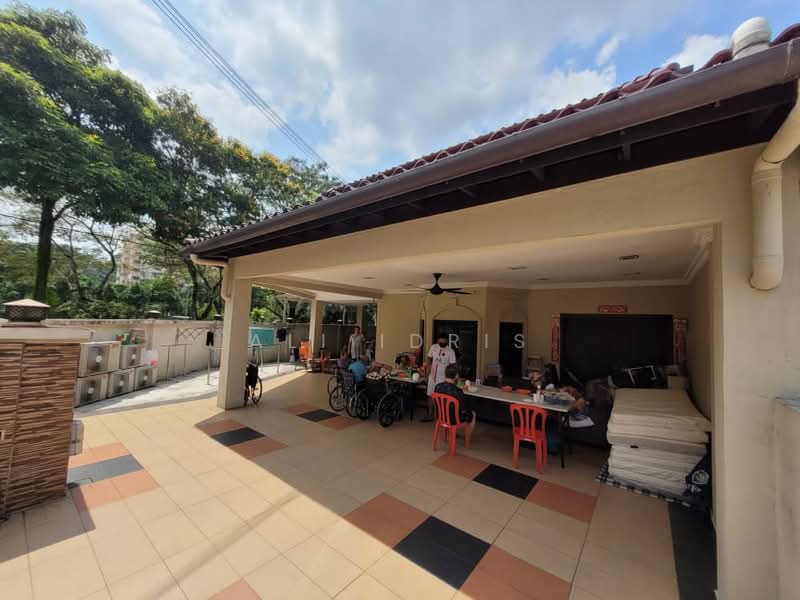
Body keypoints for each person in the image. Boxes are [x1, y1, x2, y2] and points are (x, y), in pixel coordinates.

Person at [434, 364, 477, 432]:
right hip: (453, 419)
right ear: (456, 376)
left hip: (440, 416)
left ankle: (451, 431)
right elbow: (463, 407)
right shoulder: (457, 391)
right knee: (473, 413)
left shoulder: (437, 386)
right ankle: (467, 436)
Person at [424, 335, 456, 421]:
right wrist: (426, 366)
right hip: (432, 377)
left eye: (443, 341)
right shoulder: (433, 347)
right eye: (440, 341)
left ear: (447, 341)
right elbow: (429, 358)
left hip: (443, 379)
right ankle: (429, 415)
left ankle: (441, 417)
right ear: (438, 340)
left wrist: (452, 378)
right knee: (430, 395)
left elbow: (452, 366)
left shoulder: (450, 351)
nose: (441, 343)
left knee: (441, 398)